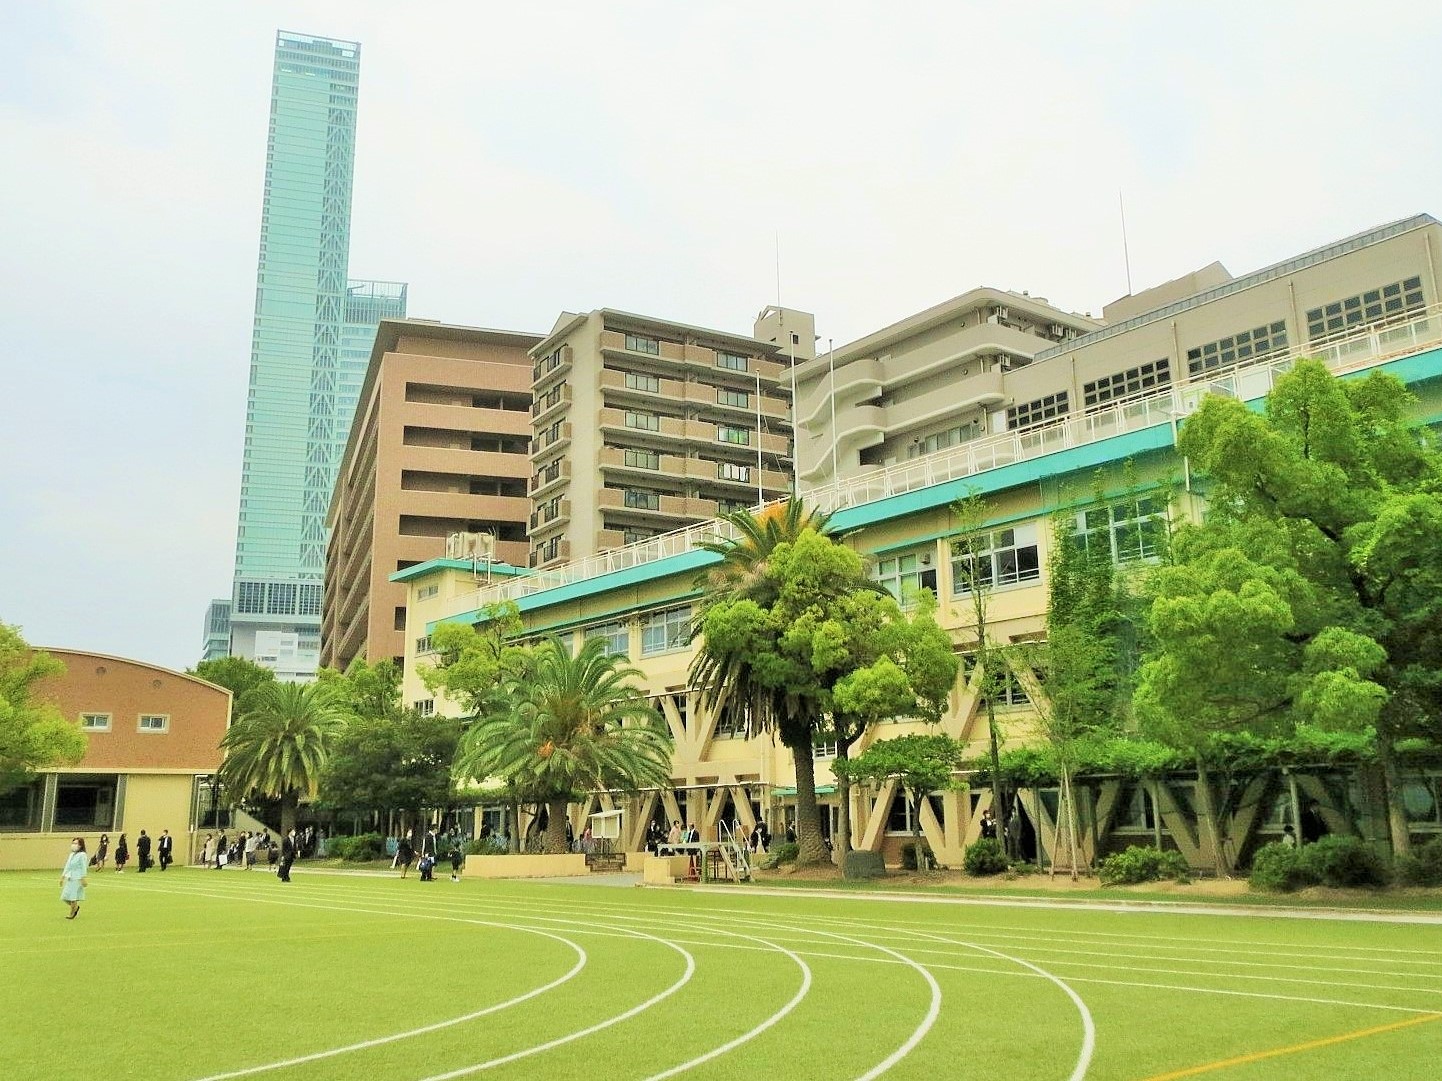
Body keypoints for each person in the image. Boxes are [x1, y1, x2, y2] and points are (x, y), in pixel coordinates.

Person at [61, 837, 89, 919]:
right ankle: (76, 907)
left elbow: (83, 867)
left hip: (77, 878)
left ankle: (72, 913)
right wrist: (63, 876)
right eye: (73, 843)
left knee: (73, 897)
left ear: (80, 845)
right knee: (65, 897)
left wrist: (83, 877)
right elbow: (67, 866)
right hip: (70, 877)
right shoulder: (72, 855)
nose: (74, 845)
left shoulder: (82, 855)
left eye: (76, 843)